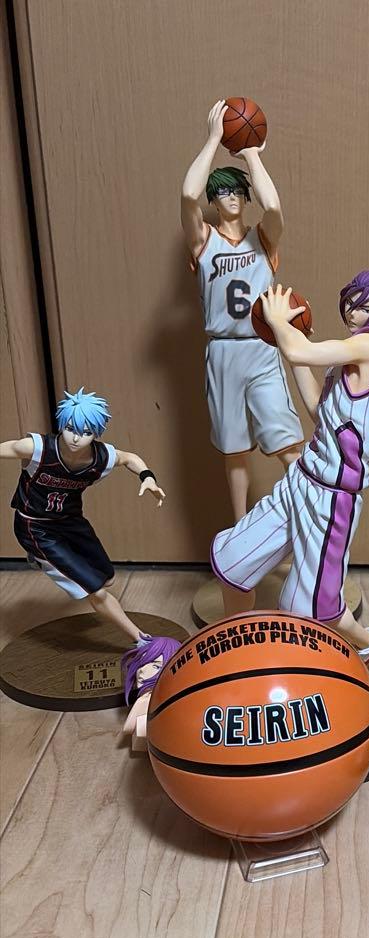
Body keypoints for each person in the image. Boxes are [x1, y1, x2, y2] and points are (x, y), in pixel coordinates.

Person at [211, 274, 369, 660]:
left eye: (364, 306)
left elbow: (300, 352)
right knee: (233, 560)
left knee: (310, 606)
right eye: (350, 302)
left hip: (332, 497)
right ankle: (234, 647)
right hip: (302, 477)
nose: (352, 312)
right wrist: (290, 337)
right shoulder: (347, 358)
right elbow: (318, 410)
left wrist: (279, 322)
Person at [181, 100, 304, 522]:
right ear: (214, 200)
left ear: (245, 197)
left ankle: (308, 521)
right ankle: (239, 529)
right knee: (234, 452)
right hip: (222, 351)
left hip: (261, 347)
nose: (230, 198)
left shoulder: (263, 238)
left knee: (288, 444)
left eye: (236, 191)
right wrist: (214, 139)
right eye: (222, 192)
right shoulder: (203, 240)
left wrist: (251, 154)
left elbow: (274, 207)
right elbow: (187, 194)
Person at [3, 388, 166, 643]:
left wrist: (148, 477)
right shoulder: (37, 449)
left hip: (71, 522)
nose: (76, 438)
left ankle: (41, 558)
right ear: (61, 424)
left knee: (107, 578)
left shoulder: (101, 457)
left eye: (86, 432)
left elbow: (129, 458)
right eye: (70, 428)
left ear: (96, 433)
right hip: (36, 527)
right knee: (96, 591)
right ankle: (141, 640)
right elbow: (7, 448)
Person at [120, 635, 183, 751]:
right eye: (142, 664)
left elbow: (130, 729)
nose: (142, 671)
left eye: (155, 666)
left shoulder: (155, 704)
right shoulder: (145, 699)